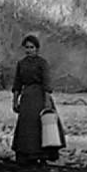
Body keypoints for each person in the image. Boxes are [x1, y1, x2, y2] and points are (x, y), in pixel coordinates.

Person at [10, 34, 59, 165]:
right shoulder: (21, 64)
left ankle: (43, 154)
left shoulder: (42, 63)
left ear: (37, 48)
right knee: (26, 127)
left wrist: (47, 101)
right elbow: (17, 84)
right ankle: (26, 153)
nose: (29, 50)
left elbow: (46, 82)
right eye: (27, 47)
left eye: (31, 47)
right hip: (27, 98)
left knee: (42, 125)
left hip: (40, 96)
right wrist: (15, 101)